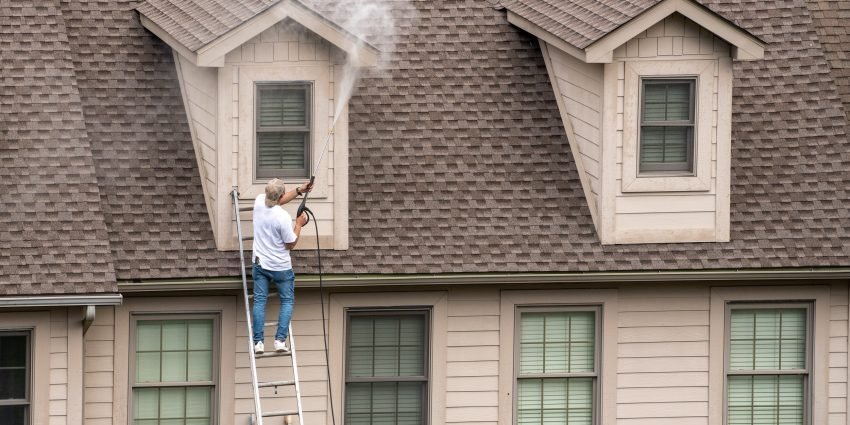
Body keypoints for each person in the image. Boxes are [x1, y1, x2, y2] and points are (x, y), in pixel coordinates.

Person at [251, 178, 312, 354]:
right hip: (280, 268)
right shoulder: (283, 217)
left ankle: (258, 344)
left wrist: (300, 190)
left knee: (259, 301)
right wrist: (299, 224)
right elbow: (290, 244)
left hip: (260, 264)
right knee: (286, 301)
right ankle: (279, 341)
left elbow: (278, 200)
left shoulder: (259, 201)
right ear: (281, 196)